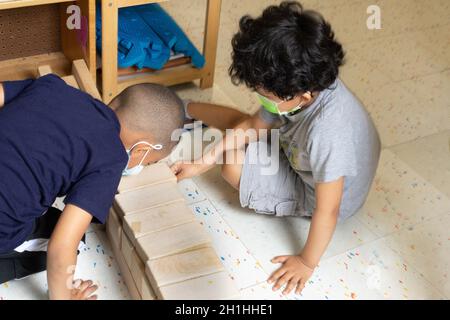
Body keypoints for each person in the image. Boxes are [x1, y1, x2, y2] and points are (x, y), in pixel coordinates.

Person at [171, 1, 381, 296]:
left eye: (264, 93)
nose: (261, 97)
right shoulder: (304, 77)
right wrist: (200, 163)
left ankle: (191, 113)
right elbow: (253, 125)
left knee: (232, 164)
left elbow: (329, 208)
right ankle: (183, 109)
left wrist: (306, 263)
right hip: (305, 154)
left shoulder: (329, 131)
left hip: (324, 192)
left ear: (303, 96)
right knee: (242, 125)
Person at [0, 76, 184, 299]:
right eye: (148, 161)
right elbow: (62, 245)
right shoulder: (111, 160)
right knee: (70, 240)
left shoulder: (51, 85)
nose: (142, 166)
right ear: (141, 149)